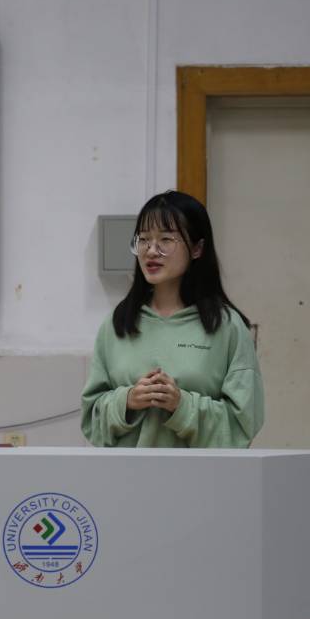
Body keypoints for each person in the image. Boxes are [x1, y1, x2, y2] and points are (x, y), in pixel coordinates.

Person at [81, 190, 264, 448]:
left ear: (197, 248)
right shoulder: (116, 324)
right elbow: (91, 419)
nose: (151, 251)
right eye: (144, 239)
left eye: (165, 239)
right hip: (127, 473)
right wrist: (127, 401)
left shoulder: (228, 327)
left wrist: (182, 406)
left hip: (201, 474)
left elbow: (243, 425)